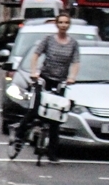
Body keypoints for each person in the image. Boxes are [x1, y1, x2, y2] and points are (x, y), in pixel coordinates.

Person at [12, 11, 80, 164]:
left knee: (56, 117)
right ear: (57, 24)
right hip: (44, 78)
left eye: (66, 23)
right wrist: (34, 72)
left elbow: (76, 62)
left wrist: (72, 78)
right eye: (61, 22)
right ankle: (19, 134)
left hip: (60, 81)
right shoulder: (48, 40)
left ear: (69, 25)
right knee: (35, 110)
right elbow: (36, 55)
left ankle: (52, 152)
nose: (63, 25)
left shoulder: (73, 44)